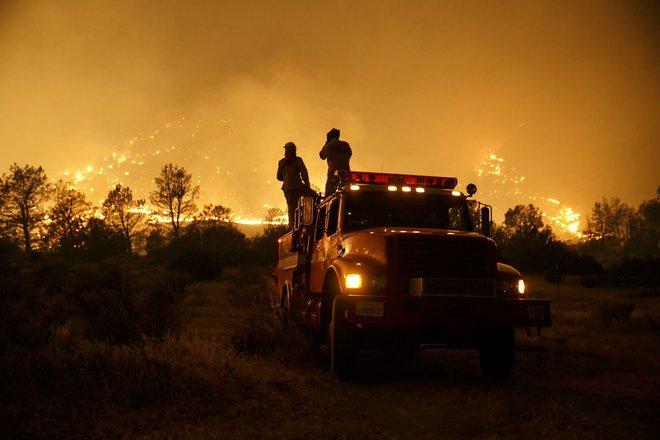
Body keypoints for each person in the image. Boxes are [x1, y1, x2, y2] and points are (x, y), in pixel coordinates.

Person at [277, 142, 313, 228]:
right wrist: (307, 184)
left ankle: (293, 227)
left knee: (291, 209)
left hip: (288, 189)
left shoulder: (281, 162)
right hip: (298, 187)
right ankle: (309, 220)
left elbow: (279, 177)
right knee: (313, 196)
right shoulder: (298, 160)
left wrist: (286, 178)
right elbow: (304, 172)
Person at [319, 128, 352, 196]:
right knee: (348, 193)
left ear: (329, 137)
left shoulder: (330, 145)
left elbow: (322, 155)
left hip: (333, 173)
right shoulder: (346, 144)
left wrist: (326, 144)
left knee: (329, 195)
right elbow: (349, 154)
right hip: (346, 173)